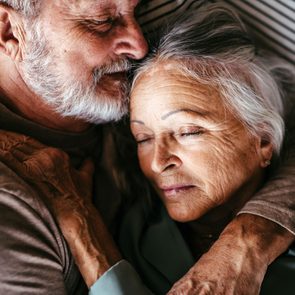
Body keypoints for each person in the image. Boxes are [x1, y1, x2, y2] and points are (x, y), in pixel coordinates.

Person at [0, 1, 294, 295]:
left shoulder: (129, 86)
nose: (140, 47)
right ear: (9, 30)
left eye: (188, 132)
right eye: (102, 20)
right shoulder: (14, 205)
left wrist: (249, 240)